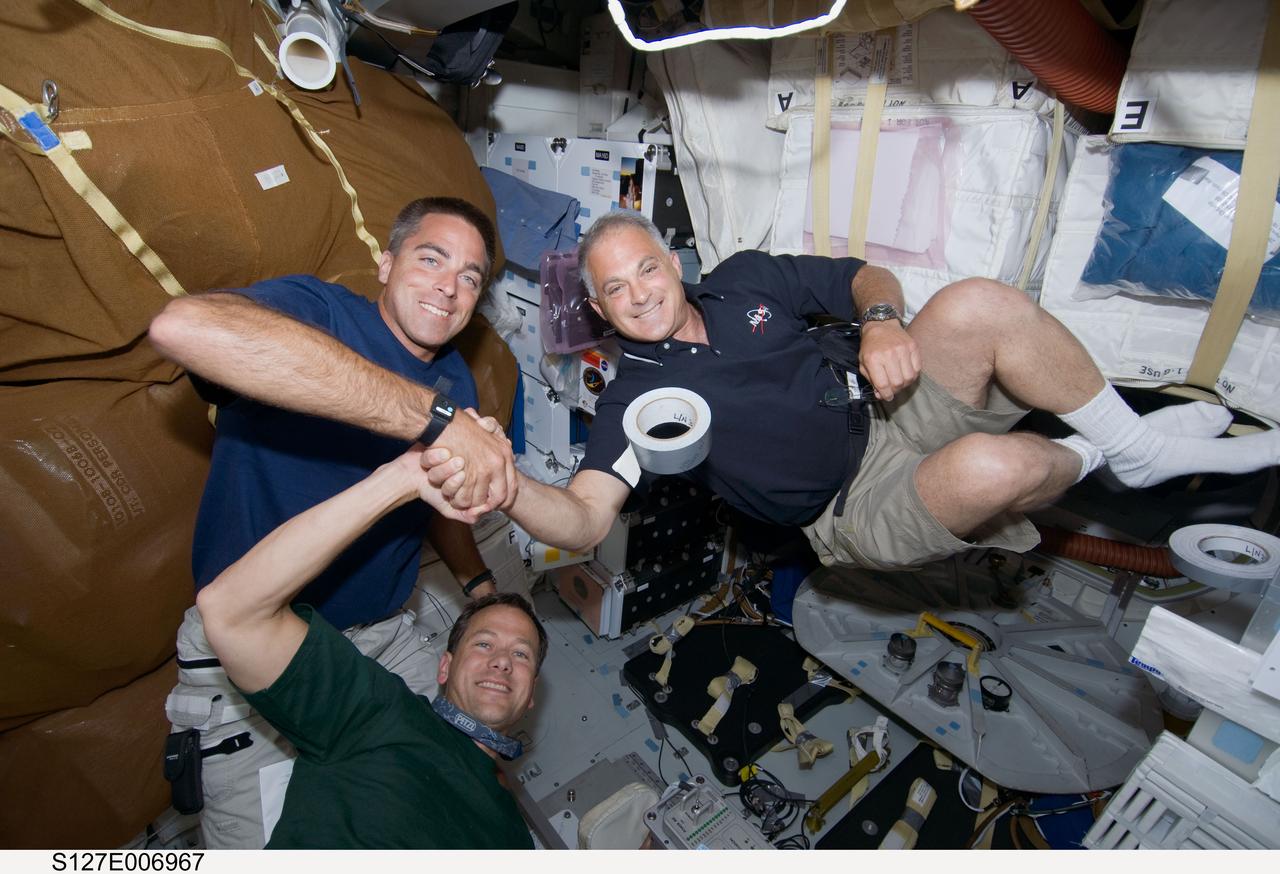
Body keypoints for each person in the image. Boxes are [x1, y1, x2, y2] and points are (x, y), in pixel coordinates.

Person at [430, 210, 1280, 572]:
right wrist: (512, 491)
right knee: (991, 468)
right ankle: (1109, 454)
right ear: (599, 306)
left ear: (673, 263)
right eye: (614, 289)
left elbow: (863, 275)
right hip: (850, 504)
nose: (640, 294)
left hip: (884, 399)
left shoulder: (744, 279)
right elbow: (583, 518)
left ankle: (1136, 449)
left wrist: (877, 318)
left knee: (977, 302)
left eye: (646, 269)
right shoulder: (636, 405)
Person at [149, 196, 519, 847]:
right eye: (431, 259)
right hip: (254, 642)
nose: (449, 287)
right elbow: (185, 328)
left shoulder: (455, 379)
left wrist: (479, 585)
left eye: (470, 277)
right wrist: (430, 421)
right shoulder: (319, 312)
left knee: (450, 788)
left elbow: (439, 497)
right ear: (385, 263)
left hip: (380, 640)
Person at [196, 445, 543, 848]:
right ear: (443, 667)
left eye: (521, 654)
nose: (502, 661)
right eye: (483, 644)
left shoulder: (515, 838)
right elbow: (231, 612)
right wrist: (403, 478)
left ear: (532, 693)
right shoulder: (381, 713)